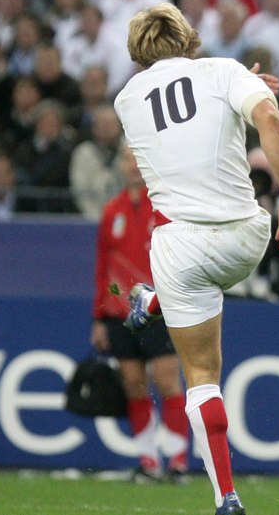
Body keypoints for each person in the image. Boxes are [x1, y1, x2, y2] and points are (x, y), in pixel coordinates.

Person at [114, 3, 279, 515]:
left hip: (180, 250)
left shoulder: (127, 98)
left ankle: (226, 496)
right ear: (190, 40)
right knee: (193, 277)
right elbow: (267, 116)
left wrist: (235, 79)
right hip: (245, 239)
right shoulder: (222, 72)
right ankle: (158, 300)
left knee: (200, 376)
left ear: (137, 53)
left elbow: (180, 111)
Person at [89, 145, 189, 484]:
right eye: (126, 159)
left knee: (166, 379)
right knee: (133, 384)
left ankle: (177, 460)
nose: (132, 166)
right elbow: (103, 268)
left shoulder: (163, 206)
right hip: (119, 313)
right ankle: (148, 461)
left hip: (158, 309)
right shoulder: (111, 209)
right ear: (119, 165)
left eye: (137, 159)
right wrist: (99, 318)